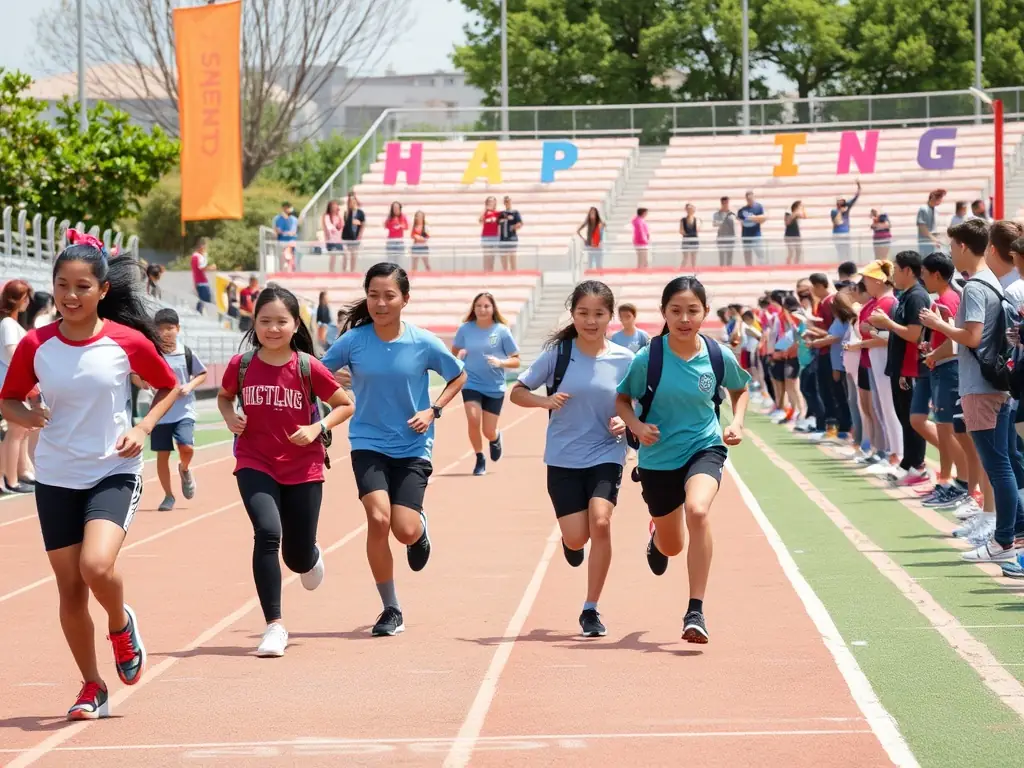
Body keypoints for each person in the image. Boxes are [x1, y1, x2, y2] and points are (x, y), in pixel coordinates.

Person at [0, 230, 181, 720]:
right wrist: (28, 416)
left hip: (112, 470)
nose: (70, 295)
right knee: (71, 592)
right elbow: (9, 399)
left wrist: (144, 426)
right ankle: (92, 686)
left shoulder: (127, 342)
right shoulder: (36, 344)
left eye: (82, 286)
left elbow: (170, 387)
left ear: (102, 290)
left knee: (96, 567)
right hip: (56, 476)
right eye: (62, 285)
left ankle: (121, 626)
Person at [321, 262, 466, 637]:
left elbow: (458, 374)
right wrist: (335, 377)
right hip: (367, 441)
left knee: (403, 529)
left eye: (389, 296)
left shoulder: (423, 342)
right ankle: (391, 609)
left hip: (413, 444)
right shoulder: (353, 341)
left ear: (405, 299)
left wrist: (433, 410)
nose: (380, 303)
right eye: (373, 296)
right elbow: (318, 374)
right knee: (378, 519)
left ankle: (419, 530)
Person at [218, 286, 355, 657]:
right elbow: (224, 396)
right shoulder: (241, 365)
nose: (273, 328)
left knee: (295, 556)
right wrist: (231, 416)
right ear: (254, 323)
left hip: (303, 465)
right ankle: (274, 626)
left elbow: (344, 405)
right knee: (267, 533)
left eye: (281, 321)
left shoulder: (309, 367)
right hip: (254, 460)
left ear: (296, 325)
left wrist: (317, 428)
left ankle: (309, 555)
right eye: (265, 321)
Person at [616, 276, 751, 643]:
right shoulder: (649, 357)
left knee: (698, 511)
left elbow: (740, 388)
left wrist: (736, 422)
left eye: (693, 310)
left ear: (705, 313)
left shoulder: (718, 354)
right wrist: (637, 427)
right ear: (664, 313)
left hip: (704, 447)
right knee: (672, 545)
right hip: (658, 458)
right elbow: (622, 400)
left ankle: (695, 610)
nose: (684, 318)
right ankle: (657, 535)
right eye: (675, 311)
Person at [512, 280, 633, 637]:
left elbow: (639, 402)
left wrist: (625, 420)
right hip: (563, 457)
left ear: (610, 316)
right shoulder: (559, 355)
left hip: (606, 452)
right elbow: (517, 392)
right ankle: (571, 544)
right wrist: (544, 402)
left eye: (598, 314)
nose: (591, 321)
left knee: (602, 521)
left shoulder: (626, 360)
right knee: (578, 538)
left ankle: (590, 608)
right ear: (573, 314)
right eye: (583, 313)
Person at [920, 219, 1024, 562]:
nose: (950, 253)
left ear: (964, 247)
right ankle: (1009, 535)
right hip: (993, 385)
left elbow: (974, 337)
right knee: (1004, 462)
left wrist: (940, 326)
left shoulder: (977, 287)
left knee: (999, 466)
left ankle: (1005, 540)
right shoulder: (990, 283)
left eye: (952, 246)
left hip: (982, 387)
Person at [868, 251, 931, 486]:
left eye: (896, 268)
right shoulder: (906, 296)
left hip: (911, 367)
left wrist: (887, 324)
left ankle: (918, 465)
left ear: (907, 270)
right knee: (905, 417)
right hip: (901, 366)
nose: (893, 273)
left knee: (913, 419)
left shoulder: (916, 297)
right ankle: (909, 463)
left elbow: (914, 335)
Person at [452, 292, 520, 476]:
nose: (482, 309)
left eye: (486, 306)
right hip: (471, 382)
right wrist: (459, 357)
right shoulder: (465, 330)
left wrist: (501, 362)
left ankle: (495, 437)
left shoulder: (502, 331)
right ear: (473, 308)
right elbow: (454, 352)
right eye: (479, 306)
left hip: (494, 386)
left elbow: (516, 361)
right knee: (473, 419)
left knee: (488, 430)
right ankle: (479, 457)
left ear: (493, 309)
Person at [149, 309, 208, 511]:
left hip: (184, 411)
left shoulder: (186, 352)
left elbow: (202, 373)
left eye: (170, 328)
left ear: (178, 329)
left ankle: (184, 468)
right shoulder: (153, 354)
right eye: (161, 328)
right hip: (160, 412)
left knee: (187, 447)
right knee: (162, 455)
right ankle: (168, 496)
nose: (166, 332)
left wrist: (189, 386)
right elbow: (139, 375)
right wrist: (144, 383)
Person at [0, 279, 37, 493]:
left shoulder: (12, 324)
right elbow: (14, 353)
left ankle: (20, 473)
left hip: (16, 383)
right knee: (16, 431)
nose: (28, 302)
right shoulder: (7, 324)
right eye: (26, 297)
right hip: (10, 384)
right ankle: (11, 480)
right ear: (19, 299)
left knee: (21, 430)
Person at [498, 195, 523, 271]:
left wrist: (513, 227)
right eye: (505, 201)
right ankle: (505, 274)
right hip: (503, 238)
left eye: (508, 201)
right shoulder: (501, 213)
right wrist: (503, 220)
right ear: (504, 202)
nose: (507, 202)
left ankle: (514, 273)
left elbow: (520, 223)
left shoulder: (515, 212)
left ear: (511, 201)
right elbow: (497, 222)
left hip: (512, 238)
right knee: (504, 258)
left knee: (512, 257)